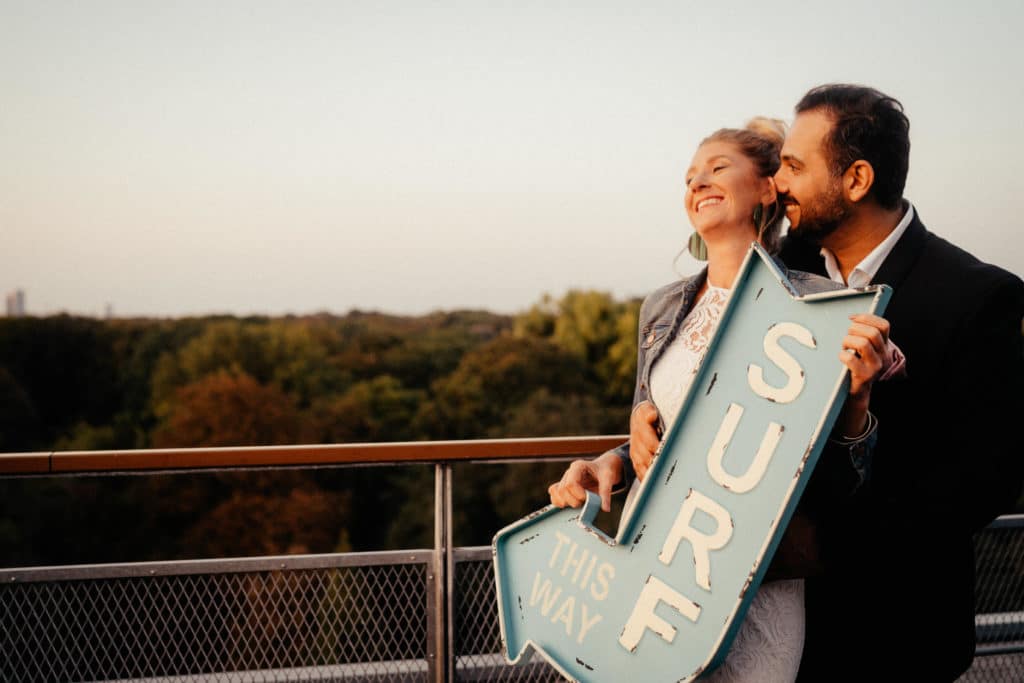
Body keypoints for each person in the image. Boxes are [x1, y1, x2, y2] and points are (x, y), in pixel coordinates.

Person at [547, 117, 893, 682]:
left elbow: (841, 480)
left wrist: (858, 403)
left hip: (755, 576)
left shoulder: (825, 307)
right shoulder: (658, 309)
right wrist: (610, 461)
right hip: (652, 568)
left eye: (717, 168)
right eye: (690, 176)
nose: (698, 182)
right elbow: (661, 442)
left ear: (765, 188)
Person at [769, 84, 1024, 681]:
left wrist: (821, 548)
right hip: (778, 635)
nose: (779, 182)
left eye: (794, 166)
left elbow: (983, 483)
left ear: (856, 179)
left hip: (895, 636)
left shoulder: (977, 295)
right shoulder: (781, 268)